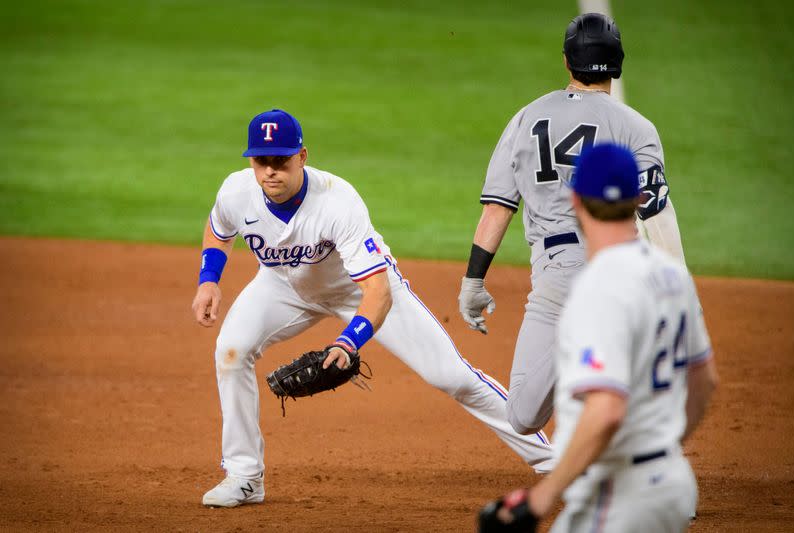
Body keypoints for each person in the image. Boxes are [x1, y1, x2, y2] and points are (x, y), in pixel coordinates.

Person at [191, 108, 552, 508]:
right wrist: (209, 280)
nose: (270, 171)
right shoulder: (236, 191)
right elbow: (218, 228)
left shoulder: (337, 201)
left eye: (281, 161)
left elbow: (377, 292)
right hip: (282, 286)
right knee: (231, 351)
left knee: (451, 376)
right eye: (261, 161)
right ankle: (244, 476)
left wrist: (348, 343)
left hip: (355, 288)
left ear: (303, 156)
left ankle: (555, 460)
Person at [458, 12, 687, 438]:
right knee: (526, 415)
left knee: (524, 417)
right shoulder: (637, 127)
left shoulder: (527, 117)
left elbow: (497, 208)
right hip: (614, 271)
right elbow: (654, 211)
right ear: (618, 64)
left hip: (560, 271)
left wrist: (473, 280)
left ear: (567, 61)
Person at [477, 143, 718, 532]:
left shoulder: (595, 289)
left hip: (617, 496)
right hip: (672, 485)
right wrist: (660, 447)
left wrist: (541, 498)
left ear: (576, 200)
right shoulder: (673, 276)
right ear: (638, 199)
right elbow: (705, 381)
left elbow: (605, 409)